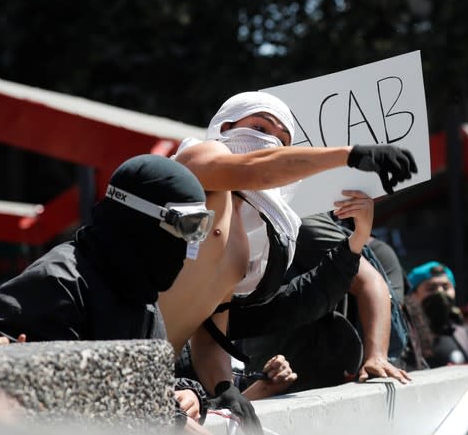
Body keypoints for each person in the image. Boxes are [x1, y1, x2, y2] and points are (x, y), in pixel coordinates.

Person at [158, 92, 417, 428]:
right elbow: (255, 168)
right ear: (226, 126)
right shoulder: (197, 161)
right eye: (260, 126)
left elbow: (209, 332)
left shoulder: (249, 244)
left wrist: (222, 387)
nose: (270, 142)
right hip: (106, 338)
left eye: (282, 139)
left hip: (155, 373)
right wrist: (349, 155)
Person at [0, 154, 215, 432]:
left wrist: (185, 395)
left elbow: (132, 380)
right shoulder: (58, 284)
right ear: (138, 223)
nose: (185, 247)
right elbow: (60, 394)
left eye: (197, 228)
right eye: (184, 227)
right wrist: (168, 418)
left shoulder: (136, 286)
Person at [231, 212, 411, 393]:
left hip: (317, 375)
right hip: (270, 375)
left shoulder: (297, 216)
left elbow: (369, 281)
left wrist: (376, 356)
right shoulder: (235, 221)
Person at [405, 261, 468, 367]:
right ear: (413, 296)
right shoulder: (405, 343)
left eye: (446, 287)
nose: (440, 292)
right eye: (431, 288)